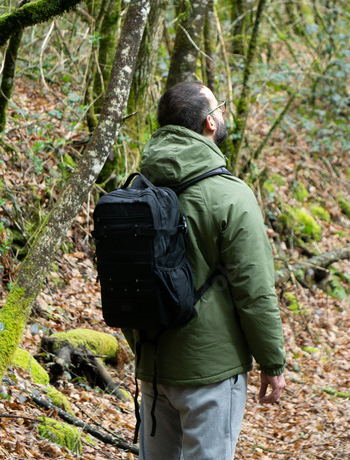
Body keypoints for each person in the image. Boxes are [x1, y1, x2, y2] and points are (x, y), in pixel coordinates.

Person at [129, 80, 286, 460]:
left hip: (152, 367)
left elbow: (126, 280)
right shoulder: (231, 195)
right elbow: (255, 289)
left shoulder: (136, 187)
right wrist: (272, 361)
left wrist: (143, 347)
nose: (223, 111)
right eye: (219, 107)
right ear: (210, 123)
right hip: (211, 374)